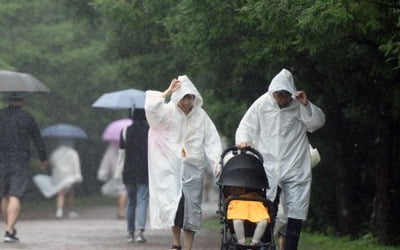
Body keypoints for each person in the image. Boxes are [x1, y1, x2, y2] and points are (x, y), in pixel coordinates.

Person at [235, 69, 325, 250]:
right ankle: (267, 244)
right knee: (268, 208)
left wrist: (307, 105)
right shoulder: (262, 104)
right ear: (273, 93)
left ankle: (291, 246)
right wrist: (243, 140)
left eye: (285, 96)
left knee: (296, 212)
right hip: (268, 164)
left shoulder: (299, 105)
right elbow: (246, 125)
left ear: (290, 94)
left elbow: (316, 123)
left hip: (295, 165)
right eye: (278, 95)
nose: (282, 99)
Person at [145, 75, 222, 250]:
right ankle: (175, 243)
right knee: (176, 205)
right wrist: (167, 92)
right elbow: (151, 109)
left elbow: (212, 140)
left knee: (192, 207)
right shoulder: (169, 111)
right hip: (172, 167)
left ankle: (188, 246)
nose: (187, 102)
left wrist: (217, 164)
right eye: (183, 97)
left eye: (190, 97)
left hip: (194, 165)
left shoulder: (201, 116)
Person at [0, 93, 47, 243]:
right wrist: (43, 158)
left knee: (5, 194)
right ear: (22, 101)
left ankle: (10, 229)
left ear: (8, 101)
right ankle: (8, 230)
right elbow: (37, 139)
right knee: (16, 194)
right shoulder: (27, 117)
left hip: (2, 159)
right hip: (20, 160)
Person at [116, 108, 149, 243]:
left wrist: (119, 171)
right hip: (144, 170)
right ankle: (140, 232)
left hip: (129, 170)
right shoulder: (150, 131)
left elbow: (121, 154)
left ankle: (130, 232)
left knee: (131, 202)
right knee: (142, 200)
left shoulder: (124, 131)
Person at [49, 140, 83, 219]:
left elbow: (52, 163)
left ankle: (59, 211)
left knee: (60, 193)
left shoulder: (55, 153)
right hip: (69, 176)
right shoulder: (73, 153)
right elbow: (76, 165)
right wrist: (77, 176)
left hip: (58, 176)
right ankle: (70, 211)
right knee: (71, 193)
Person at [97, 141, 127, 219]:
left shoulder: (111, 149)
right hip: (125, 172)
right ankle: (121, 210)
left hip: (115, 173)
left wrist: (105, 172)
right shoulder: (128, 145)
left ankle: (120, 210)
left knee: (120, 192)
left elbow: (107, 162)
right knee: (123, 192)